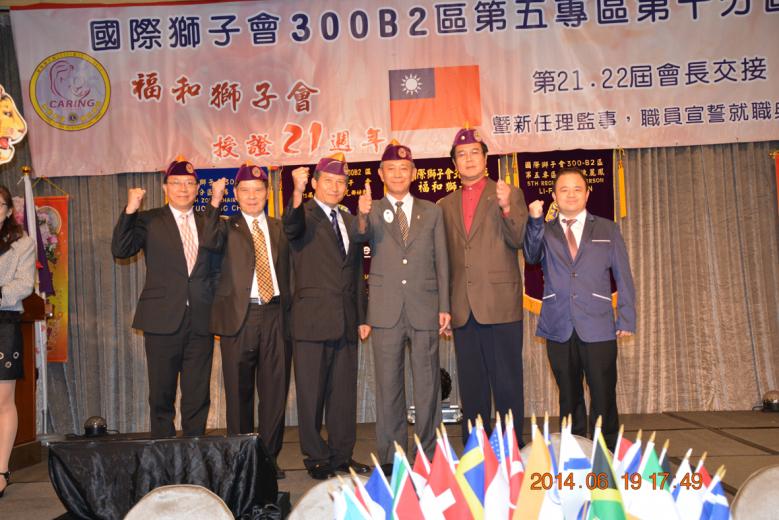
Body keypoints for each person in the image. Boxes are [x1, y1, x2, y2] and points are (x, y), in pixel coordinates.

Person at [353, 140, 450, 470]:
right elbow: (360, 237)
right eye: (391, 169)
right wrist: (361, 214)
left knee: (428, 387)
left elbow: (442, 260)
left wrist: (444, 305)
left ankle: (428, 456)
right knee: (389, 388)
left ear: (414, 173)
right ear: (381, 174)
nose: (397, 174)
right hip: (385, 310)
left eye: (404, 169)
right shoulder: (372, 209)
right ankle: (392, 459)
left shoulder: (432, 211)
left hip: (425, 306)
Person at [523, 167, 636, 449]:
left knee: (603, 393)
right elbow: (531, 255)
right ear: (554, 196)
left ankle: (605, 451)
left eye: (577, 189)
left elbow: (623, 275)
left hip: (598, 323)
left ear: (587, 193)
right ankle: (573, 451)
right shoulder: (544, 230)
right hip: (558, 324)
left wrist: (626, 317)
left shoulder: (608, 228)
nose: (571, 195)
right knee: (569, 395)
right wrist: (535, 221)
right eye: (564, 190)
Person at [111, 158, 221, 438]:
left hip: (201, 319)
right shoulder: (149, 219)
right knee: (161, 393)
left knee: (197, 393)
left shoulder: (208, 220)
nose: (183, 188)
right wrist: (130, 209)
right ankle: (163, 449)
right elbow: (121, 249)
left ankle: (194, 448)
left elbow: (218, 269)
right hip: (162, 318)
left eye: (189, 183)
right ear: (165, 188)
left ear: (197, 188)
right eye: (176, 183)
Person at [282, 152, 370, 480]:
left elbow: (356, 272)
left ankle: (342, 456)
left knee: (343, 395)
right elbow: (290, 225)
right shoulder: (303, 215)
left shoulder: (348, 219)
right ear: (315, 184)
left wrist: (362, 316)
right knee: (311, 394)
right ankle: (316, 457)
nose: (335, 187)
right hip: (311, 321)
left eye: (341, 182)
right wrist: (296, 190)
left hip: (346, 320)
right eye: (329, 181)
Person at [438, 127, 528, 441]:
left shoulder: (508, 193)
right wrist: (444, 306)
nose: (469, 159)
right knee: (472, 385)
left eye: (475, 152)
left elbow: (520, 239)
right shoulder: (444, 205)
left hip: (499, 303)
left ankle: (510, 446)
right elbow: (444, 260)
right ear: (454, 163)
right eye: (461, 155)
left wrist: (506, 207)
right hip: (463, 307)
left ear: (486, 158)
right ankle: (476, 449)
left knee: (507, 383)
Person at [205, 165, 291, 479]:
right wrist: (214, 202)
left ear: (267, 193)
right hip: (239, 317)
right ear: (236, 194)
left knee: (274, 393)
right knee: (238, 391)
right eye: (245, 190)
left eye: (258, 190)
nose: (252, 196)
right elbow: (207, 241)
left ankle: (267, 459)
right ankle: (241, 459)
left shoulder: (279, 227)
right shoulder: (225, 226)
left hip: (275, 315)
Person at [0, 185, 35, 498]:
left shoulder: (22, 243)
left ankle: (1, 470)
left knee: (2, 400)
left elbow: (24, 284)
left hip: (4, 321)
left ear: (9, 210)